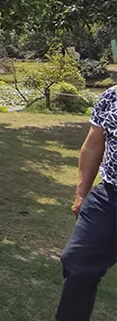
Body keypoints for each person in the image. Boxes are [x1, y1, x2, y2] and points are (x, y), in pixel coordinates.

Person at [55, 86, 117, 321]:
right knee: (78, 261)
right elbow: (93, 145)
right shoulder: (112, 96)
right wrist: (81, 194)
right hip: (110, 196)